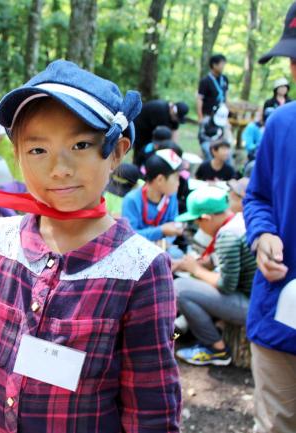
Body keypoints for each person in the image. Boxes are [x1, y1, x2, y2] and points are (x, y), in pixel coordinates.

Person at [0, 60, 181, 432]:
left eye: (80, 144)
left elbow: (152, 413)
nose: (59, 168)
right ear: (17, 155)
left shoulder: (139, 270)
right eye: (37, 150)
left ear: (117, 151)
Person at [245, 4, 296, 431]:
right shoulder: (282, 123)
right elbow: (258, 195)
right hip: (281, 314)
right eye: (295, 61)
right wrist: (263, 234)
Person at [173, 186, 256, 366]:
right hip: (258, 299)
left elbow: (226, 285)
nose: (198, 227)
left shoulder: (227, 235)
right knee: (193, 287)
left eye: (197, 222)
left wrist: (196, 270)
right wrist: (192, 265)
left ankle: (216, 350)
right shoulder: (238, 220)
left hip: (255, 308)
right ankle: (185, 331)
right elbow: (224, 259)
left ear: (206, 218)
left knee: (179, 289)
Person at [122, 149, 184, 248]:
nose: (178, 183)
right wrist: (162, 230)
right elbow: (129, 236)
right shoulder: (132, 200)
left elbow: (174, 224)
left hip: (163, 248)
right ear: (160, 180)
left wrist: (167, 240)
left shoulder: (171, 196)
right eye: (176, 178)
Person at [132, 99, 189, 166]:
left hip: (152, 129)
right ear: (172, 109)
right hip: (141, 130)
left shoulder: (175, 116)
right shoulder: (160, 111)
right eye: (176, 117)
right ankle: (136, 167)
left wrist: (175, 151)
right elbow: (163, 139)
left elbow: (174, 132)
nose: (176, 120)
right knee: (142, 151)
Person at [197, 54, 229, 122]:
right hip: (208, 114)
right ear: (214, 65)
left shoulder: (224, 79)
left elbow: (226, 96)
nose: (223, 67)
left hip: (221, 114)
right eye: (222, 64)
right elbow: (199, 99)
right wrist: (200, 116)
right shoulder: (205, 81)